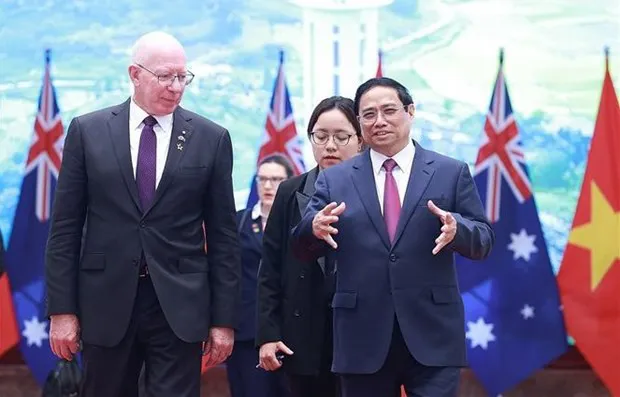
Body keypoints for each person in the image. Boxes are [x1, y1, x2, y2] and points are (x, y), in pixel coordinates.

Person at [44, 31, 240, 397]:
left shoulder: (210, 138)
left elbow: (225, 236)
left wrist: (223, 320)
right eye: (165, 76)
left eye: (183, 77)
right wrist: (62, 311)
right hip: (105, 300)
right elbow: (65, 228)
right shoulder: (88, 132)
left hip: (179, 304)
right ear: (135, 74)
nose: (176, 86)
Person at [291, 78, 495, 397]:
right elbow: (301, 246)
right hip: (361, 335)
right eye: (369, 114)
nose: (379, 121)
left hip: (433, 332)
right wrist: (313, 228)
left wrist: (458, 228)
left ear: (410, 111)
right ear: (359, 123)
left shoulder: (449, 171)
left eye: (389, 110)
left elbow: (483, 240)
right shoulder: (335, 179)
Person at [257, 96, 363, 397]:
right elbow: (271, 267)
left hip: (361, 334)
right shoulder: (291, 191)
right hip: (303, 333)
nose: (330, 145)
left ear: (360, 140)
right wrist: (267, 335)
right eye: (320, 136)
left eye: (341, 136)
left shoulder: (377, 190)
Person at [226, 154, 294, 397]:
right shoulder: (238, 221)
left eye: (275, 180)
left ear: (289, 182)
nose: (267, 186)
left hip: (290, 331)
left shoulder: (301, 223)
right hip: (247, 332)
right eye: (262, 179)